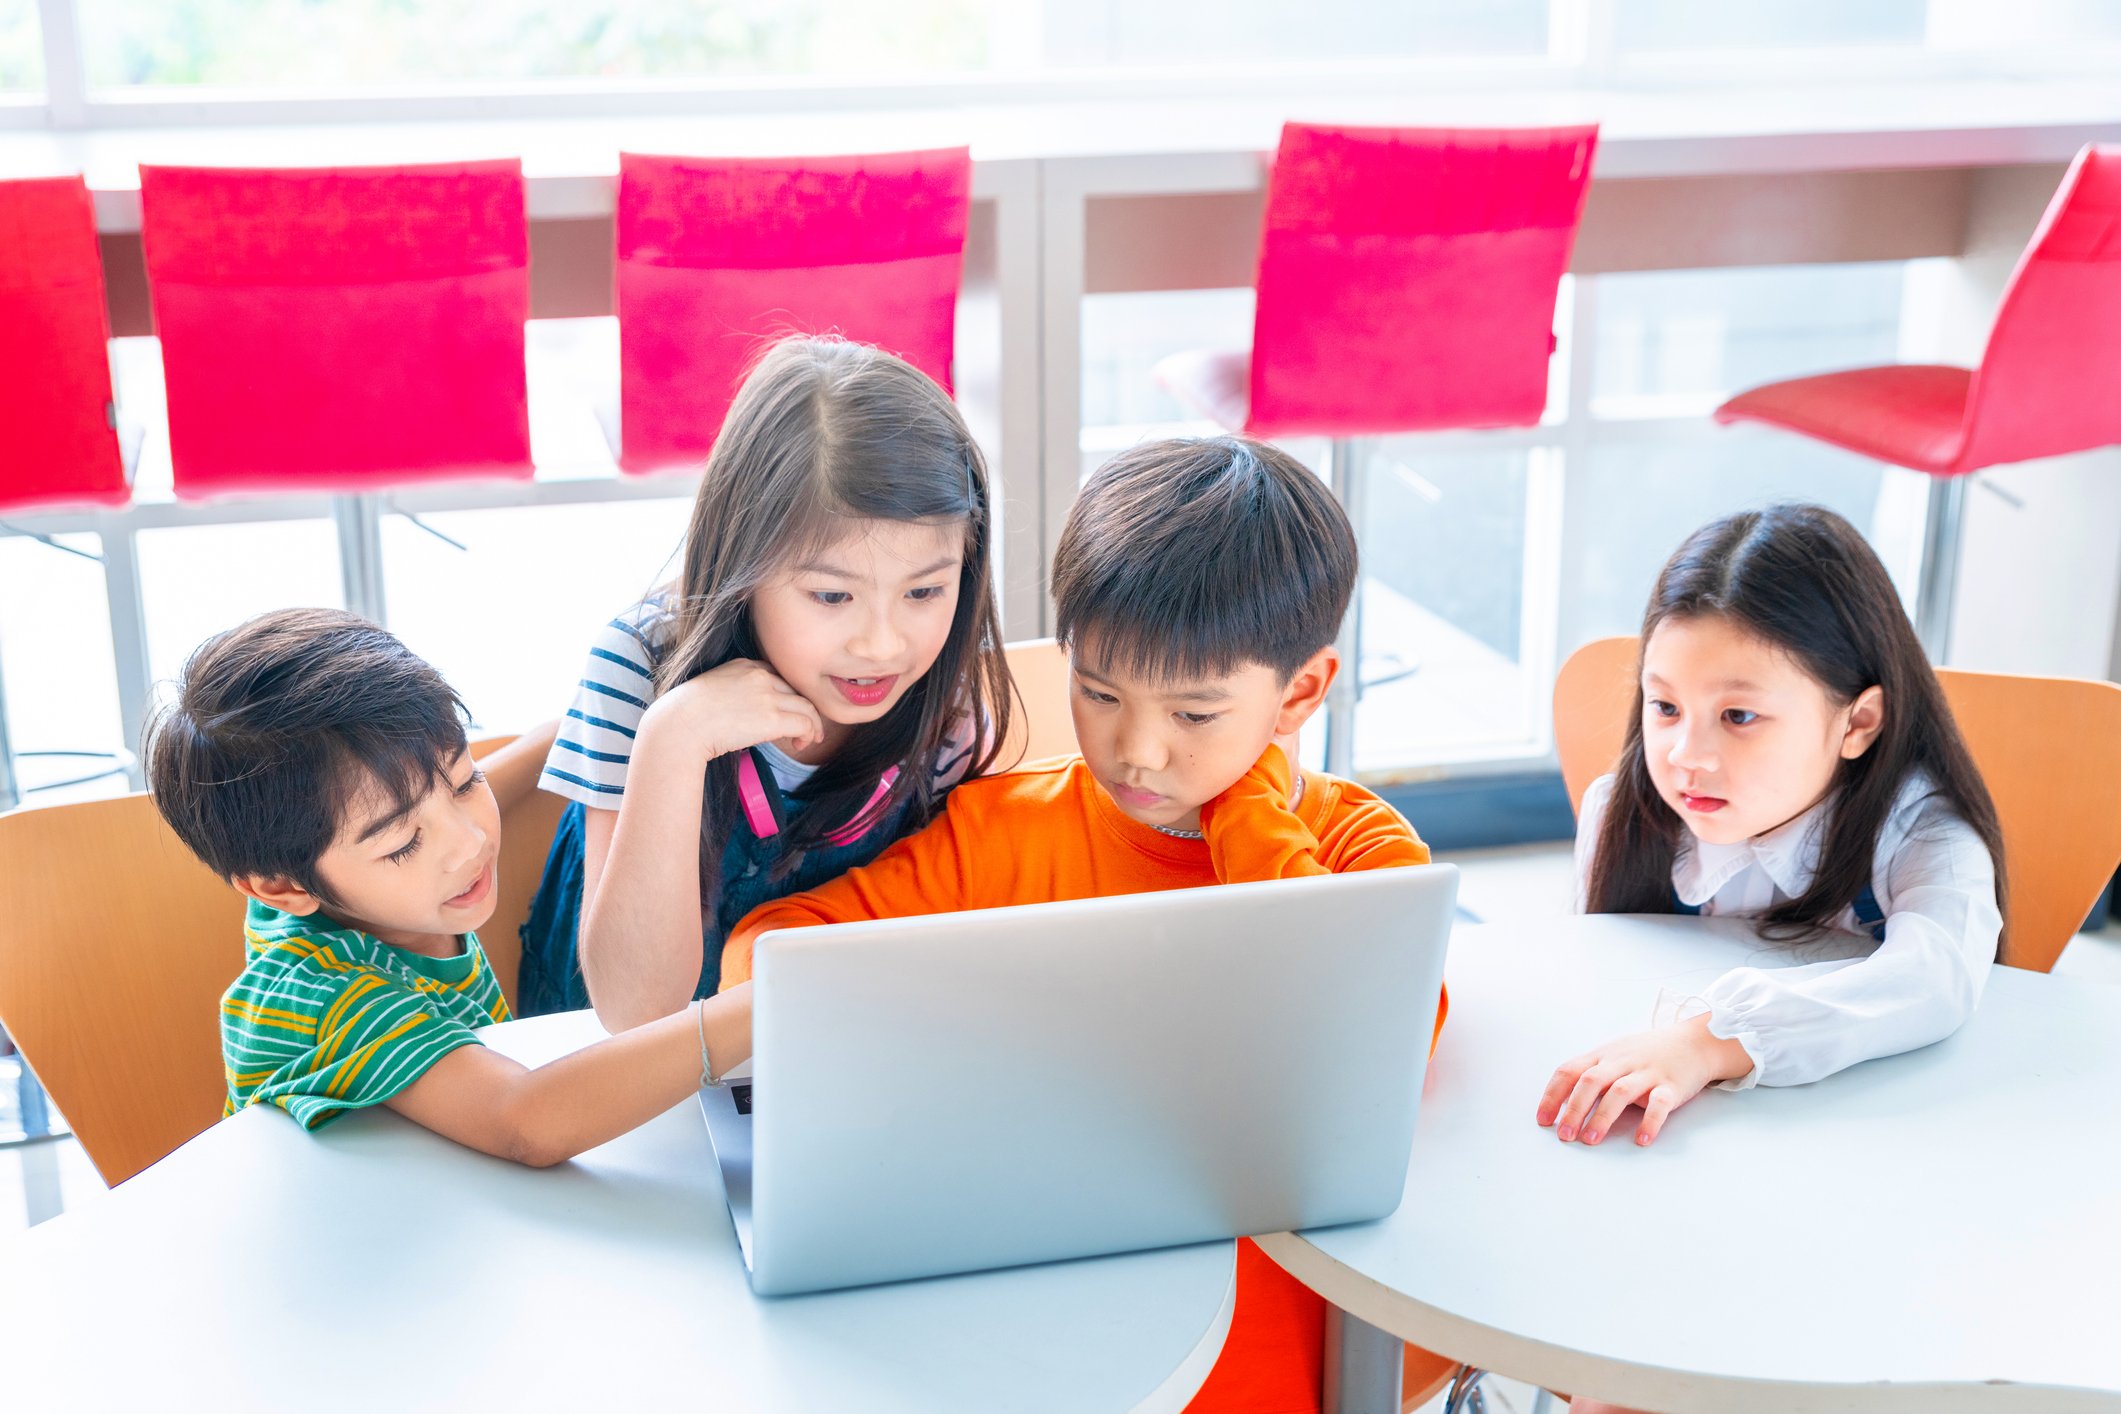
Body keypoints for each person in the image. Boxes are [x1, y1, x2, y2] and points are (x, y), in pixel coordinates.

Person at [720, 435, 1454, 1414]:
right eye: (1099, 692)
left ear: (1303, 692)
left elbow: (1369, 1042)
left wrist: (1248, 813)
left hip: (1280, 1341)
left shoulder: (1358, 847)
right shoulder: (1003, 830)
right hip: (1049, 1318)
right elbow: (768, 961)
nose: (1135, 749)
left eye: (1196, 715)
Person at [525, 335, 1015, 1028]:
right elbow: (633, 1011)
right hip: (617, 1083)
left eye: (924, 592)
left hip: (817, 1062)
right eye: (831, 597)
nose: (881, 644)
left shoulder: (946, 718)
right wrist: (673, 737)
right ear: (744, 568)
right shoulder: (636, 667)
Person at [144, 608, 751, 1166]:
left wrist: (610, 722)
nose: (469, 843)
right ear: (280, 888)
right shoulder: (325, 996)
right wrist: (768, 1003)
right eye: (403, 843)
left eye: (463, 782)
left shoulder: (333, 876)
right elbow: (525, 1121)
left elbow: (513, 761)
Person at [1541, 502, 2005, 1162]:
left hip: (1870, 1150)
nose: (1685, 755)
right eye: (1665, 706)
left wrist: (1707, 1042)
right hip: (1671, 1151)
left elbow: (1935, 980)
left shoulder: (1923, 836)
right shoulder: (1622, 809)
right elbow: (1584, 974)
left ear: (1858, 723)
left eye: (1737, 715)